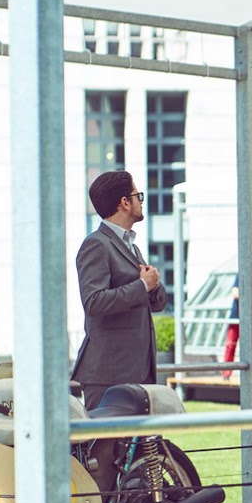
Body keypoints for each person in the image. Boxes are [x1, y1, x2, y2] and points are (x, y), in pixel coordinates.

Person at [71, 170, 167, 411]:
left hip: (139, 371)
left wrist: (153, 285)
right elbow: (94, 302)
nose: (141, 201)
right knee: (103, 437)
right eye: (138, 196)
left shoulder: (131, 247)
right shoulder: (96, 244)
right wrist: (142, 285)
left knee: (141, 436)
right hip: (108, 374)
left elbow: (157, 303)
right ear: (124, 202)